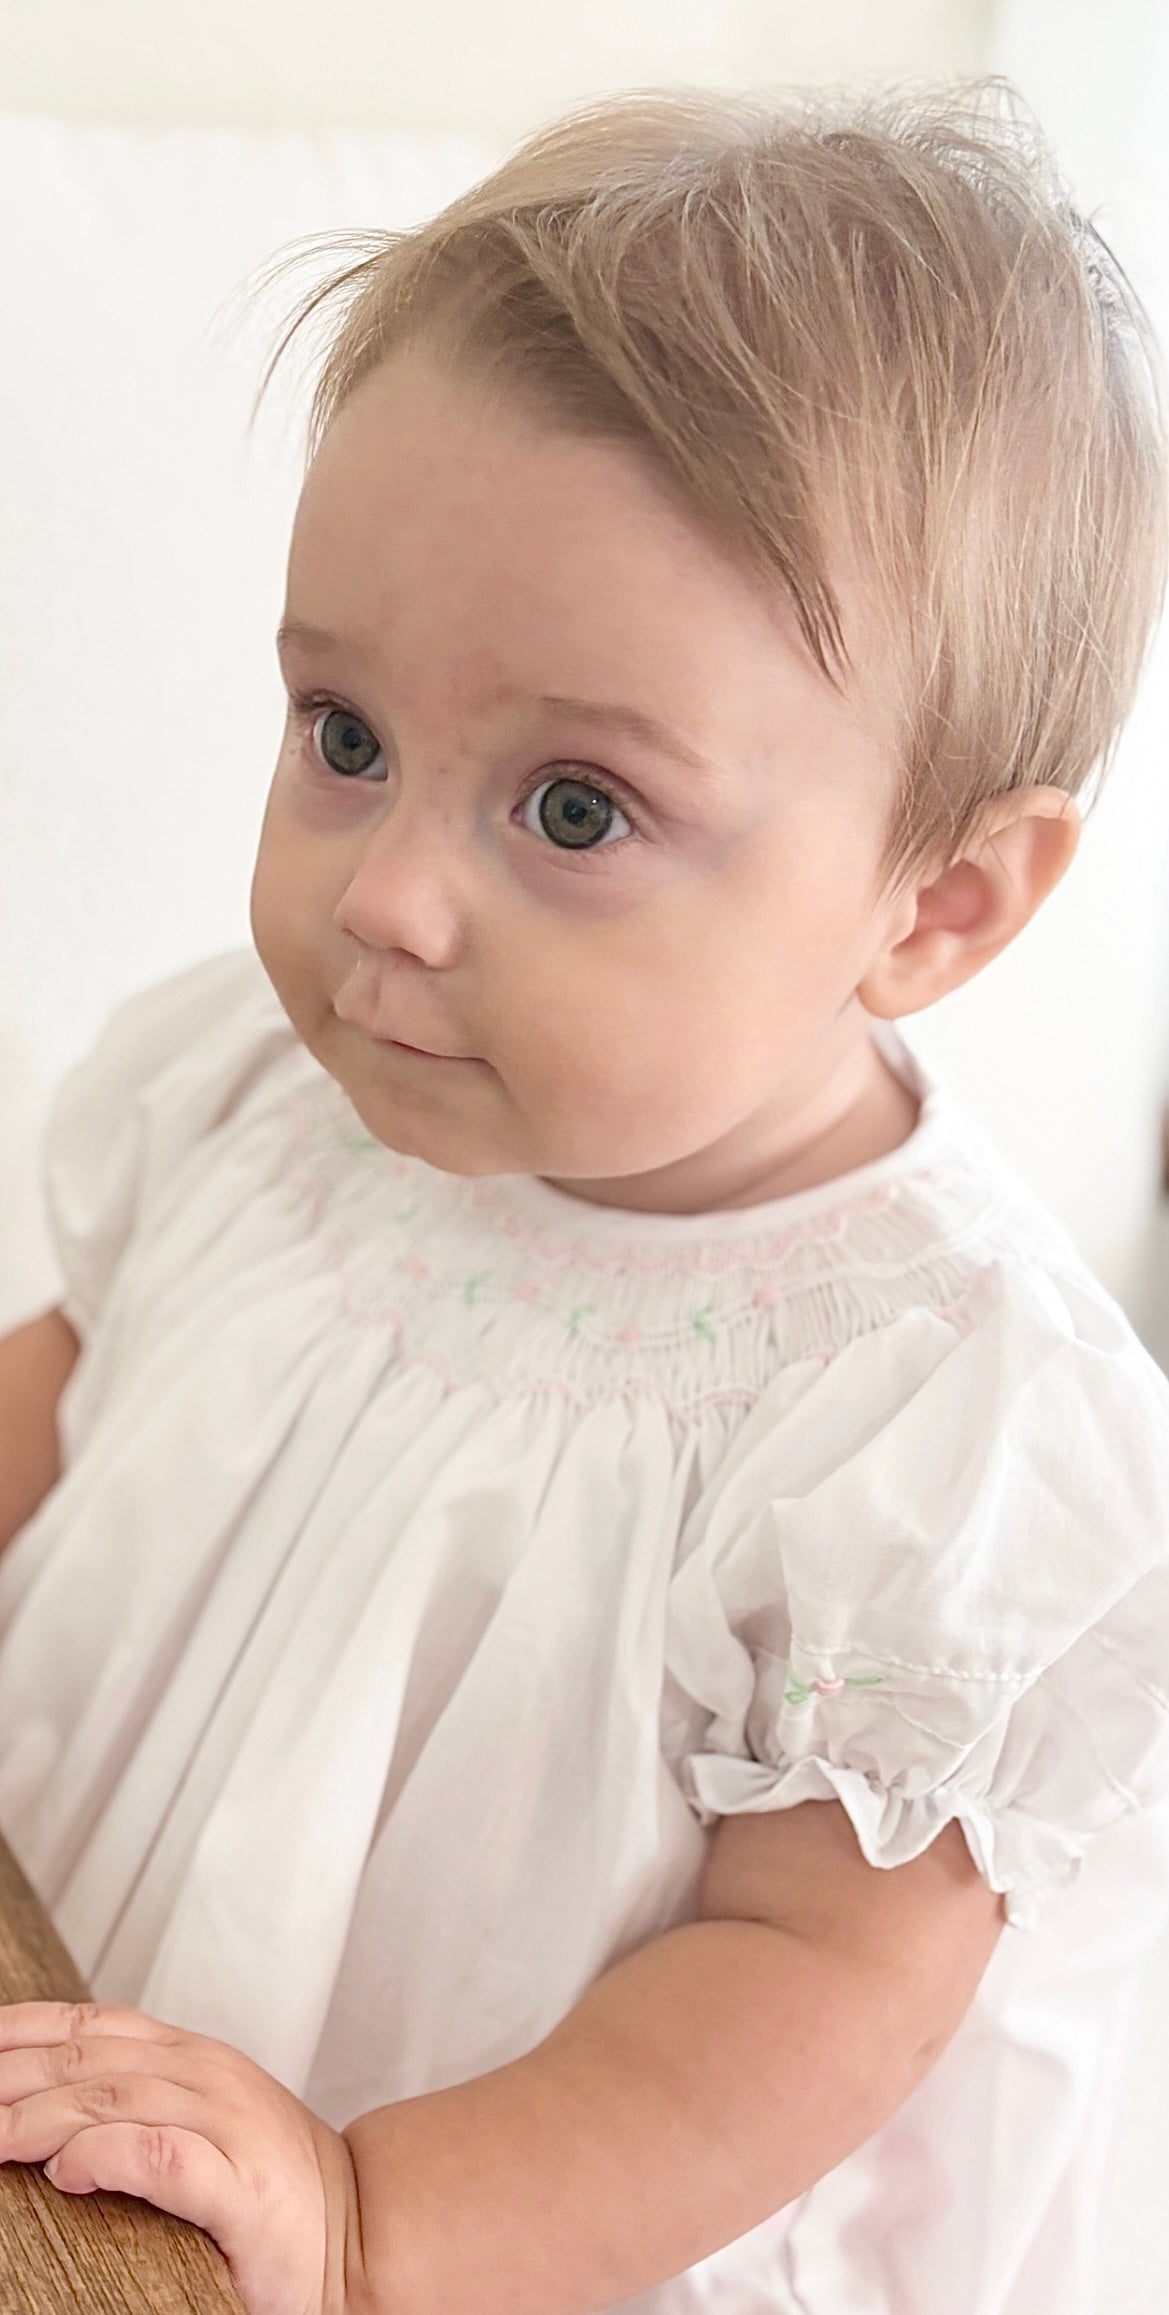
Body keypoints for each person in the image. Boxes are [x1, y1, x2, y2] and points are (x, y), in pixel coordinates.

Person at [0, 74, 1167, 2315]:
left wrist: (373, 2220)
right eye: (342, 740)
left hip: (490, 2232)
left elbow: (805, 1991)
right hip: (83, 2075)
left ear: (935, 901)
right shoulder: (261, 1095)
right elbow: (65, 1396)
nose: (393, 902)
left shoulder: (928, 1425)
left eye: (571, 806)